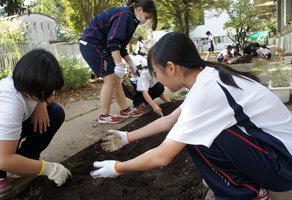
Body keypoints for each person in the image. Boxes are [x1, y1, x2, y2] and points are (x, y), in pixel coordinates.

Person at [91, 32, 292, 200]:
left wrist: (119, 168)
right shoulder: (209, 77)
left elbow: (162, 156)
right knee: (195, 131)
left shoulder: (207, 91)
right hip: (279, 156)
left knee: (198, 137)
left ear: (171, 67)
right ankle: (240, 183)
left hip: (283, 168)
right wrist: (127, 137)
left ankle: (246, 194)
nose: (155, 77)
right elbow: (170, 120)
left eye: (155, 71)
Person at [0, 49, 71, 195]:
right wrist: (48, 168)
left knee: (55, 113)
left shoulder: (26, 81)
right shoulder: (8, 105)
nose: (49, 94)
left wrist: (41, 103)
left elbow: (50, 97)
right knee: (3, 158)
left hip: (8, 125)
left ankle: (24, 161)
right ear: (32, 86)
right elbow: (3, 159)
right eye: (43, 92)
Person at [79, 0, 158, 124]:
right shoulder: (124, 15)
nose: (146, 20)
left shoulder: (132, 19)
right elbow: (114, 42)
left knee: (116, 78)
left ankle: (125, 109)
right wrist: (119, 65)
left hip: (101, 46)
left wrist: (130, 63)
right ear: (140, 9)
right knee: (110, 79)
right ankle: (104, 115)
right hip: (91, 45)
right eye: (147, 17)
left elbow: (120, 46)